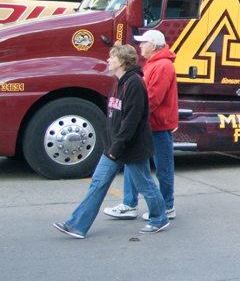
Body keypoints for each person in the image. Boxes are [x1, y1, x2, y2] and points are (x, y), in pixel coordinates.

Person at [53, 43, 169, 238]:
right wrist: (110, 144)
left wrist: (117, 146)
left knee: (145, 184)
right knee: (98, 184)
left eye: (112, 57)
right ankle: (77, 225)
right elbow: (113, 117)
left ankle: (159, 218)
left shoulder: (134, 83)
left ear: (122, 61)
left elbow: (131, 121)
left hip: (131, 147)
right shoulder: (118, 82)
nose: (108, 60)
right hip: (115, 146)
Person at [104, 29, 178, 222]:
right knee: (135, 163)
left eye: (143, 43)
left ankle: (165, 205)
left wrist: (134, 117)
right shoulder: (154, 64)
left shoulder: (161, 66)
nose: (140, 47)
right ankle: (131, 203)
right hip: (149, 124)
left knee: (161, 167)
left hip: (157, 125)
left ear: (153, 46)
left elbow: (151, 99)